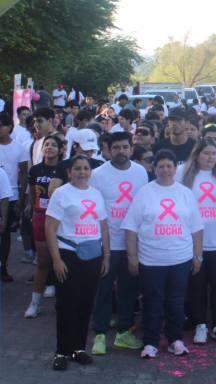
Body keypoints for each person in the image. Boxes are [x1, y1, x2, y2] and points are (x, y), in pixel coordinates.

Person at [123, 150, 203, 359]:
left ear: (175, 169)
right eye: (161, 166)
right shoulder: (144, 193)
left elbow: (196, 227)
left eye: (169, 166)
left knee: (176, 302)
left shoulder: (185, 193)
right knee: (152, 302)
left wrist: (198, 255)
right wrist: (132, 257)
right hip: (151, 259)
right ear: (154, 168)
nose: (165, 170)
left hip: (180, 258)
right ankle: (150, 342)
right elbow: (131, 227)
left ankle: (175, 339)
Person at [45, 155, 109, 371]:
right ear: (69, 172)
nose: (82, 172)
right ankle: (61, 351)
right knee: (66, 305)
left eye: (86, 169)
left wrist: (106, 256)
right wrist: (56, 260)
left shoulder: (96, 194)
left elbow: (104, 227)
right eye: (78, 169)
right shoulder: (61, 194)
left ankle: (78, 349)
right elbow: (50, 228)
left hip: (93, 255)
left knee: (85, 303)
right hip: (68, 254)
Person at [89, 132, 149, 355]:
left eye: (125, 147)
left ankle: (124, 332)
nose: (121, 151)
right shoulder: (97, 174)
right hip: (107, 243)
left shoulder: (140, 171)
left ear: (131, 149)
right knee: (103, 291)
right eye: (116, 148)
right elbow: (92, 208)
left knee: (129, 291)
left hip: (132, 244)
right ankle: (100, 335)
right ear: (108, 149)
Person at [177, 138, 216, 344]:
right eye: (206, 153)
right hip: (194, 240)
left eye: (214, 153)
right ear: (197, 155)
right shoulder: (184, 174)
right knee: (197, 284)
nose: (211, 157)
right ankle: (200, 324)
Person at [24, 135, 63, 318]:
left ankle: (64, 302)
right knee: (43, 261)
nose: (49, 147)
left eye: (54, 145)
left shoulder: (65, 169)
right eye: (46, 144)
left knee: (64, 261)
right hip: (40, 217)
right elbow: (32, 193)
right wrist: (32, 209)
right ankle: (34, 303)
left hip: (61, 220)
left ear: (61, 149)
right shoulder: (35, 170)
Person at [0, 113, 29, 278]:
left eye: (2, 125)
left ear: (9, 126)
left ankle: (3, 267)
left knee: (4, 234)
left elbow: (24, 174)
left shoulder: (19, 148)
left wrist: (21, 200)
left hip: (10, 196)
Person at [48, 128, 104, 196]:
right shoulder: (63, 165)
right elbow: (51, 191)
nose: (89, 153)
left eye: (92, 150)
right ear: (75, 146)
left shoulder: (99, 165)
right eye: (85, 150)